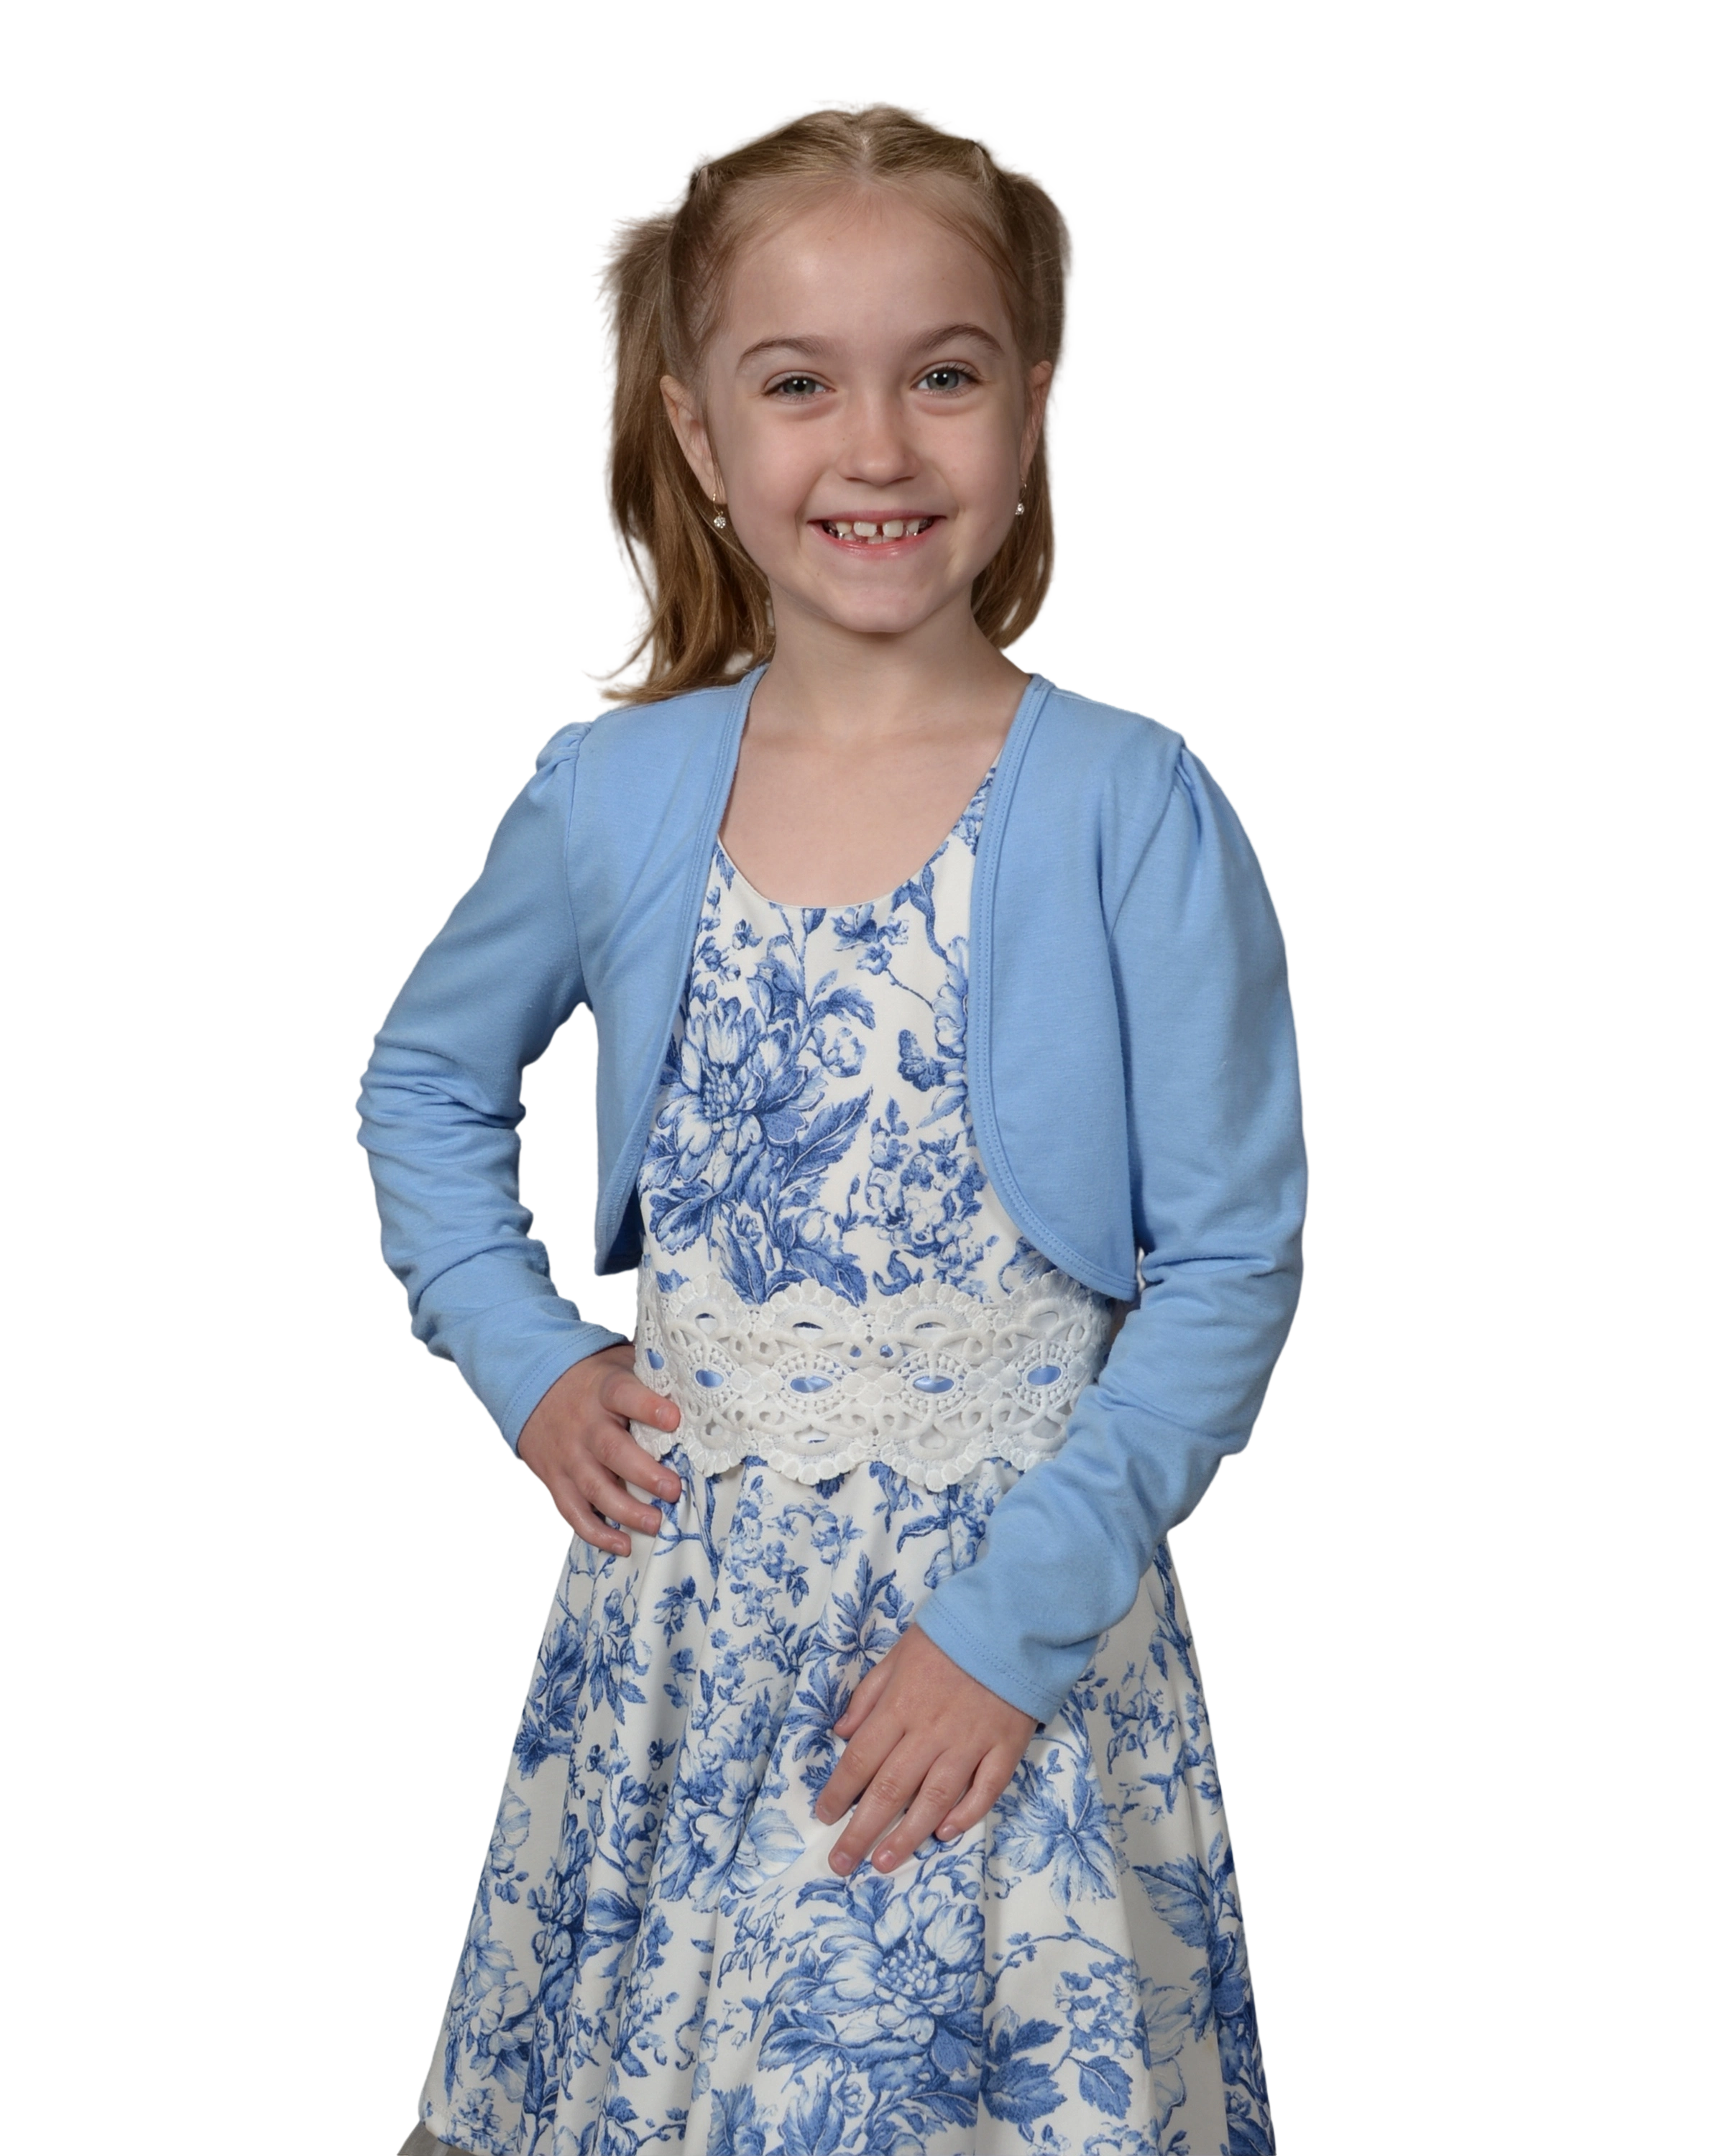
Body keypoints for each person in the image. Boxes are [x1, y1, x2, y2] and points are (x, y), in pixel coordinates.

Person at [357, 93, 1308, 2156]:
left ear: (1035, 408)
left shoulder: (1133, 804)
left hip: (1006, 1658)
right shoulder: (608, 792)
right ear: (700, 436)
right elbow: (422, 1083)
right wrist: (529, 1363)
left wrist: (1006, 1634)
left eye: (942, 376)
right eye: (800, 384)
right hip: (681, 1653)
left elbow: (1230, 1265)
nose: (876, 447)